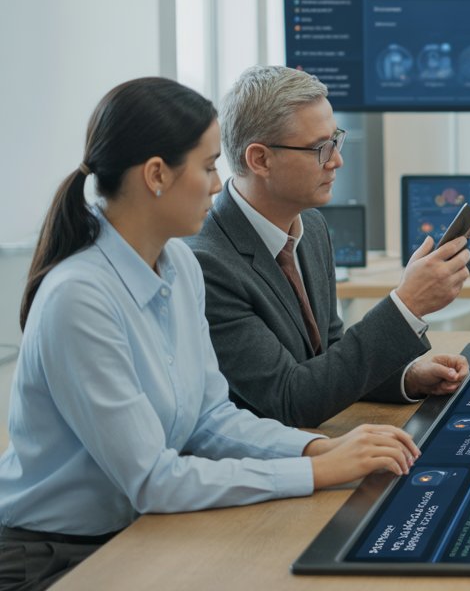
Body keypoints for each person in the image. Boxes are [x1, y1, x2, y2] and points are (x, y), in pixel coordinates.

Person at [0, 78, 420, 590]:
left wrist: (314, 450)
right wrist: (314, 472)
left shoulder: (177, 263)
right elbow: (152, 480)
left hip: (140, 532)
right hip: (55, 557)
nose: (220, 184)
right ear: (156, 175)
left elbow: (210, 419)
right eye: (207, 167)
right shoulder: (78, 298)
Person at [186, 66, 470, 428]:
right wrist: (406, 305)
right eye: (321, 148)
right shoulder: (205, 264)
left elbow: (329, 357)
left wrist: (406, 376)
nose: (337, 160)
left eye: (336, 139)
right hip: (260, 466)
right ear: (259, 160)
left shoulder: (312, 227)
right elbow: (291, 398)